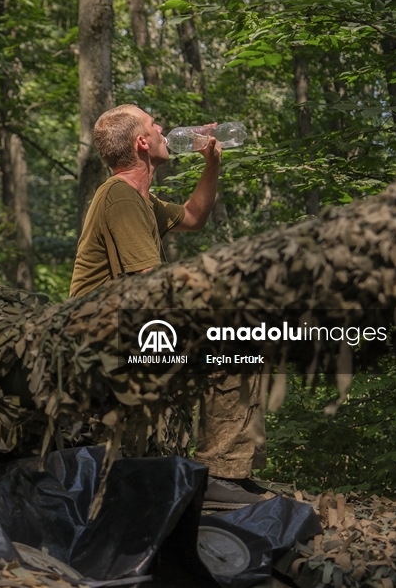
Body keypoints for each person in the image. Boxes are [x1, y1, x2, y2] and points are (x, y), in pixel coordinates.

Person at [69, 103, 268, 510]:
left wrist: (211, 164)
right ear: (142, 142)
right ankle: (218, 477)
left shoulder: (143, 200)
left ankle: (232, 473)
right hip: (98, 339)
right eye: (153, 124)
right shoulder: (120, 198)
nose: (164, 130)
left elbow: (195, 216)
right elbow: (154, 286)